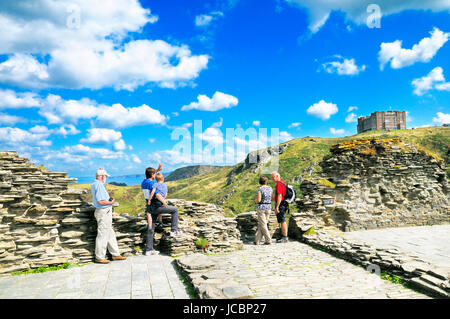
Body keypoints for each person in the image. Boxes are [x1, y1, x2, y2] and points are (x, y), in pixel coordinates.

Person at [91, 168, 127, 263]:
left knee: (109, 233)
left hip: (103, 211)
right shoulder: (99, 185)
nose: (106, 178)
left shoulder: (95, 184)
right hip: (104, 211)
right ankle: (99, 257)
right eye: (106, 176)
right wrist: (111, 202)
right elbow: (100, 201)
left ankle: (115, 254)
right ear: (102, 177)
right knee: (102, 234)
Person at [145, 173, 183, 256]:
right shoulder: (164, 185)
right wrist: (164, 202)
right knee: (175, 210)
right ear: (163, 179)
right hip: (158, 206)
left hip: (151, 208)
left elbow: (152, 193)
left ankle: (149, 249)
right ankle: (174, 230)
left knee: (151, 228)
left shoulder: (150, 184)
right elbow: (163, 195)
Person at [254, 176, 272, 245]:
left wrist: (255, 201)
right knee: (263, 224)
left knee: (263, 225)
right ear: (266, 181)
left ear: (260, 182)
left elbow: (259, 200)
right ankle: (257, 240)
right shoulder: (270, 188)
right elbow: (270, 198)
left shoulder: (260, 189)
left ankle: (268, 240)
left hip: (261, 208)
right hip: (268, 207)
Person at [271, 171, 289, 243]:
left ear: (277, 176)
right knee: (282, 220)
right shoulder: (283, 182)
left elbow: (279, 195)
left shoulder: (279, 184)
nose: (272, 179)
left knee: (282, 220)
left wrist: (277, 207)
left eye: (273, 177)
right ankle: (283, 236)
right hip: (284, 203)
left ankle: (285, 237)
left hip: (281, 204)